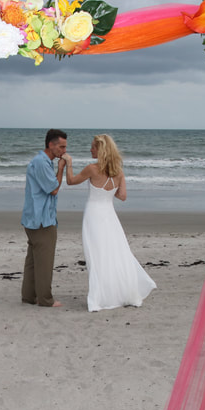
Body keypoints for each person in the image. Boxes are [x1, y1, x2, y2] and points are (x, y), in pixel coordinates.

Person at [65, 134, 156, 312]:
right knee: (116, 253)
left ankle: (101, 297)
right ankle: (122, 293)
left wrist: (68, 163)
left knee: (97, 255)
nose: (90, 149)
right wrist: (108, 190)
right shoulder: (118, 172)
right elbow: (122, 196)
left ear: (101, 150)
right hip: (110, 215)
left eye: (93, 147)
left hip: (93, 215)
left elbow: (70, 181)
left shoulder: (92, 169)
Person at [21, 129, 68, 307]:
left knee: (33, 260)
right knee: (44, 261)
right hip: (41, 219)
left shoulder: (43, 162)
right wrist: (62, 168)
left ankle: (28, 296)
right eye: (61, 147)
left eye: (65, 147)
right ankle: (45, 299)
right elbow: (53, 189)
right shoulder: (41, 162)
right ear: (51, 144)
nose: (64, 151)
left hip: (34, 217)